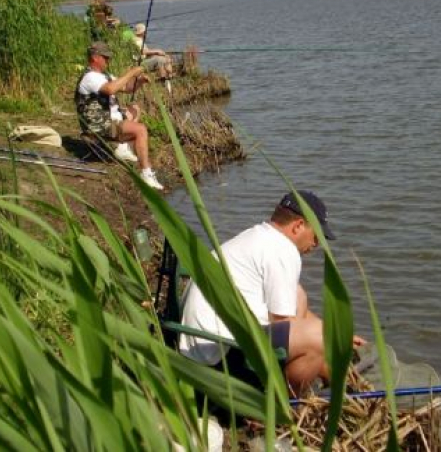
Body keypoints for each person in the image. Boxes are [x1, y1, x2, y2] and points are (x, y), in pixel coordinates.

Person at [179, 191, 364, 394]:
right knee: (318, 338)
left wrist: (338, 334)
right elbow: (284, 324)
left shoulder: (259, 236)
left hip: (206, 341)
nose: (316, 244)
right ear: (299, 225)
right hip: (218, 355)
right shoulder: (282, 250)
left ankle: (337, 380)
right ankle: (281, 404)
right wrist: (329, 339)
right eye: (317, 235)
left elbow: (292, 319)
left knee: (298, 295)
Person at [75, 41, 164, 190]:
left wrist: (139, 81)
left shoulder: (104, 75)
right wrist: (131, 73)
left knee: (134, 109)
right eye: (106, 57)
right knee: (140, 130)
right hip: (99, 124)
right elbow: (110, 89)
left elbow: (125, 87)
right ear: (95, 58)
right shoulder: (90, 77)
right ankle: (146, 173)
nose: (108, 61)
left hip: (110, 118)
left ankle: (122, 148)